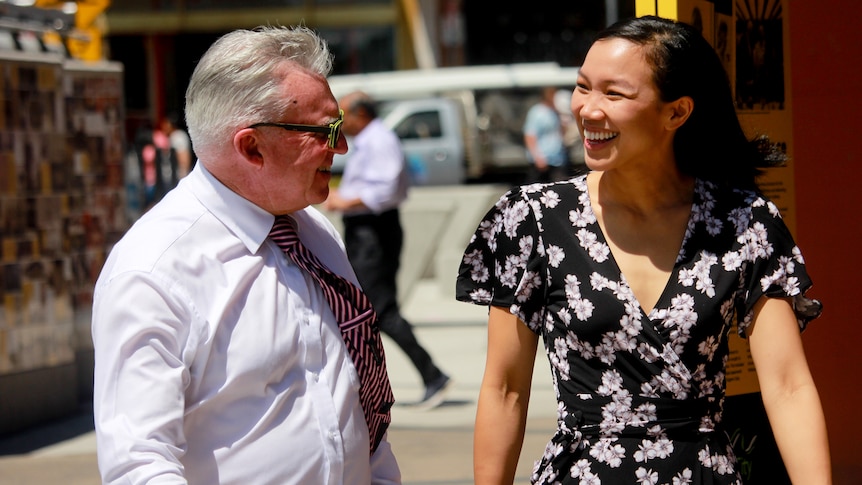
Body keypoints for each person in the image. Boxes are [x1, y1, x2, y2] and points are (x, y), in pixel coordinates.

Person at [456, 16, 831, 485]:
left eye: (614, 94)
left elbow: (789, 386)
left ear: (677, 112)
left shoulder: (744, 220)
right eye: (582, 87)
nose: (588, 110)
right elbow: (505, 390)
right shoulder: (531, 218)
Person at [92, 26, 401, 484]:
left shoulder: (313, 233)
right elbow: (139, 464)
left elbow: (357, 403)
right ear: (252, 146)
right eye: (325, 131)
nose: (341, 147)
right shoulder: (154, 271)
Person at [325, 91, 453, 409]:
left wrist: (343, 201)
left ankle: (432, 375)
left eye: (343, 115)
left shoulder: (379, 140)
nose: (340, 123)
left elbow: (384, 189)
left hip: (374, 231)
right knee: (364, 307)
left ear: (360, 114)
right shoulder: (370, 140)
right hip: (366, 230)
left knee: (376, 307)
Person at [522, 85, 570, 183]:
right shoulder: (537, 112)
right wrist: (537, 156)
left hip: (557, 159)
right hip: (542, 158)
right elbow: (530, 135)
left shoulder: (556, 112)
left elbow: (561, 133)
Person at [160, 112, 194, 179]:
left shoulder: (178, 137)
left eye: (165, 124)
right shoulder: (172, 137)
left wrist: (182, 178)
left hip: (177, 178)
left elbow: (184, 159)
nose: (163, 126)